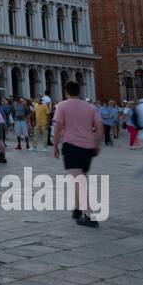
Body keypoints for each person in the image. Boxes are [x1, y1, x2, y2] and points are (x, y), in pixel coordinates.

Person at [52, 81, 103, 226]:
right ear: (79, 91)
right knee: (80, 179)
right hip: (88, 148)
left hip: (72, 146)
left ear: (66, 92)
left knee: (78, 181)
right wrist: (97, 145)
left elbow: (58, 127)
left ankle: (89, 215)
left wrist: (55, 145)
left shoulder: (62, 105)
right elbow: (99, 127)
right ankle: (76, 210)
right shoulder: (90, 107)